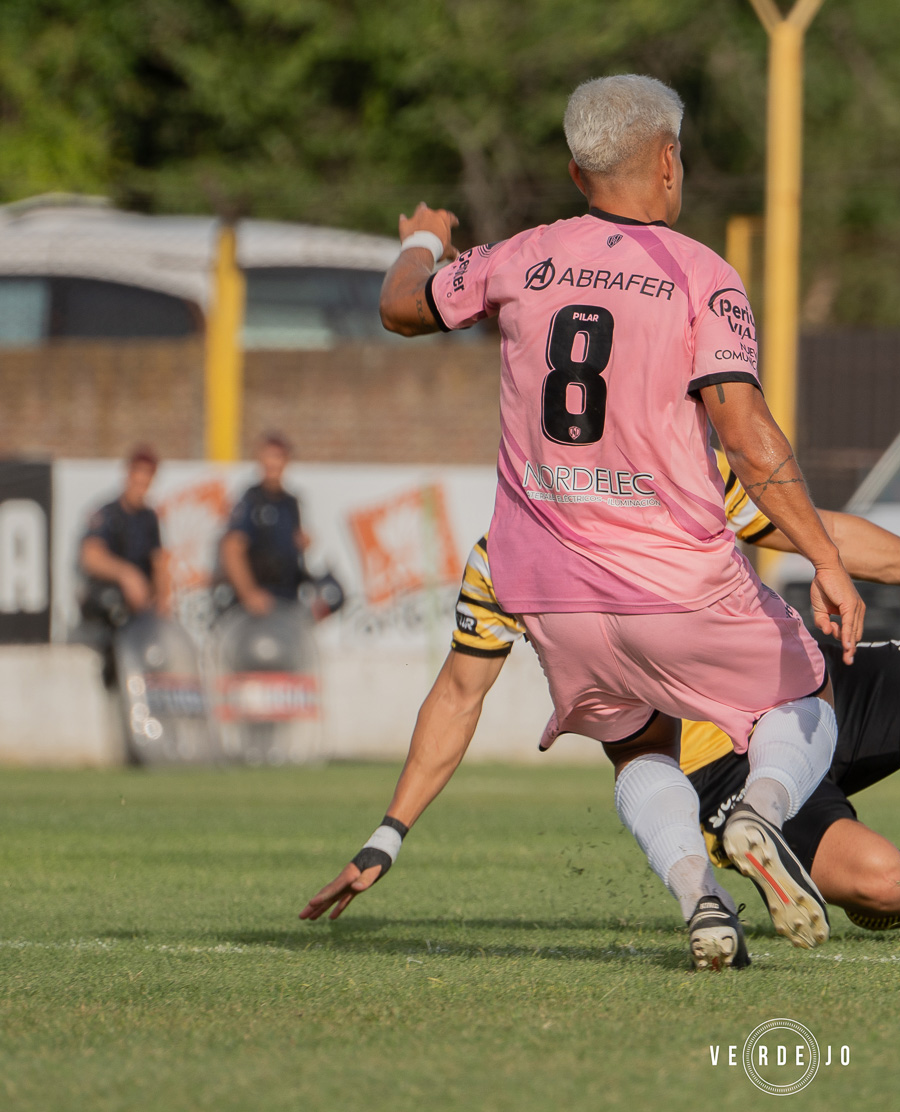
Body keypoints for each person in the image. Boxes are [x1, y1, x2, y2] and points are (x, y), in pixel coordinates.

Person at [300, 450, 900, 952]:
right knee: (883, 887)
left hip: (825, 678)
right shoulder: (505, 560)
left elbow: (823, 535)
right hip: (722, 758)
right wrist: (388, 833)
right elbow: (459, 694)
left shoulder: (682, 479)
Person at [363, 74, 865, 970]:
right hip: (675, 583)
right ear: (668, 161)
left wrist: (421, 240)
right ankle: (761, 814)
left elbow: (405, 307)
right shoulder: (700, 274)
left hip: (550, 598)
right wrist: (825, 555)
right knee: (805, 691)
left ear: (575, 170)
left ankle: (700, 906)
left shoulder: (518, 257)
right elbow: (745, 431)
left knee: (640, 748)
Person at [79, 445, 170, 683]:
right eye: (138, 476)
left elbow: (159, 562)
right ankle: (111, 675)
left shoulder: (149, 518)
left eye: (147, 478)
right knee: (113, 603)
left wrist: (162, 599)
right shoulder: (108, 514)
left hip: (140, 608)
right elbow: (91, 557)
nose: (142, 484)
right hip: (111, 602)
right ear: (128, 475)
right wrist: (126, 574)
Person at [220, 432, 309, 618]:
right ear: (259, 460)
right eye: (268, 456)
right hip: (259, 607)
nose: (272, 463)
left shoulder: (290, 502)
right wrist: (249, 593)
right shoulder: (251, 501)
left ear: (286, 461)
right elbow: (231, 549)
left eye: (277, 457)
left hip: (286, 601)